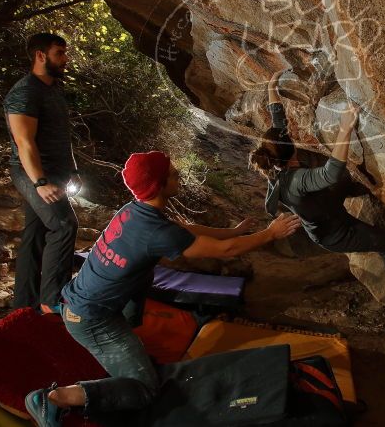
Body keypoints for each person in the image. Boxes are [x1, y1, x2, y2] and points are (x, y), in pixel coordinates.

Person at [24, 151, 301, 426]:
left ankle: (124, 359)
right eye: (171, 173)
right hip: (91, 319)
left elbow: (188, 230)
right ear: (158, 185)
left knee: (139, 306)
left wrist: (236, 231)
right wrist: (270, 233)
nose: (177, 175)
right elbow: (225, 251)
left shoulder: (134, 211)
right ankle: (54, 398)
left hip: (86, 304)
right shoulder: (155, 232)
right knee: (144, 388)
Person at [249, 69, 385, 280]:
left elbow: (278, 121)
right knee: (384, 241)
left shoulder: (276, 163)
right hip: (335, 234)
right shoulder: (295, 180)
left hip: (327, 207)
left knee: (350, 183)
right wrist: (345, 129)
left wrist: (272, 87)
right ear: (292, 150)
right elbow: (329, 174)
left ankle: (368, 191)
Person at [4, 33, 80, 315]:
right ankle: (53, 303)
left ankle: (23, 307)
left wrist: (72, 170)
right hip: (33, 173)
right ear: (40, 55)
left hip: (55, 173)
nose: (65, 59)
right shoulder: (25, 92)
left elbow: (62, 136)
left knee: (35, 234)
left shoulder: (52, 90)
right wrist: (40, 182)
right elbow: (24, 142)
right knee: (63, 226)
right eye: (59, 53)